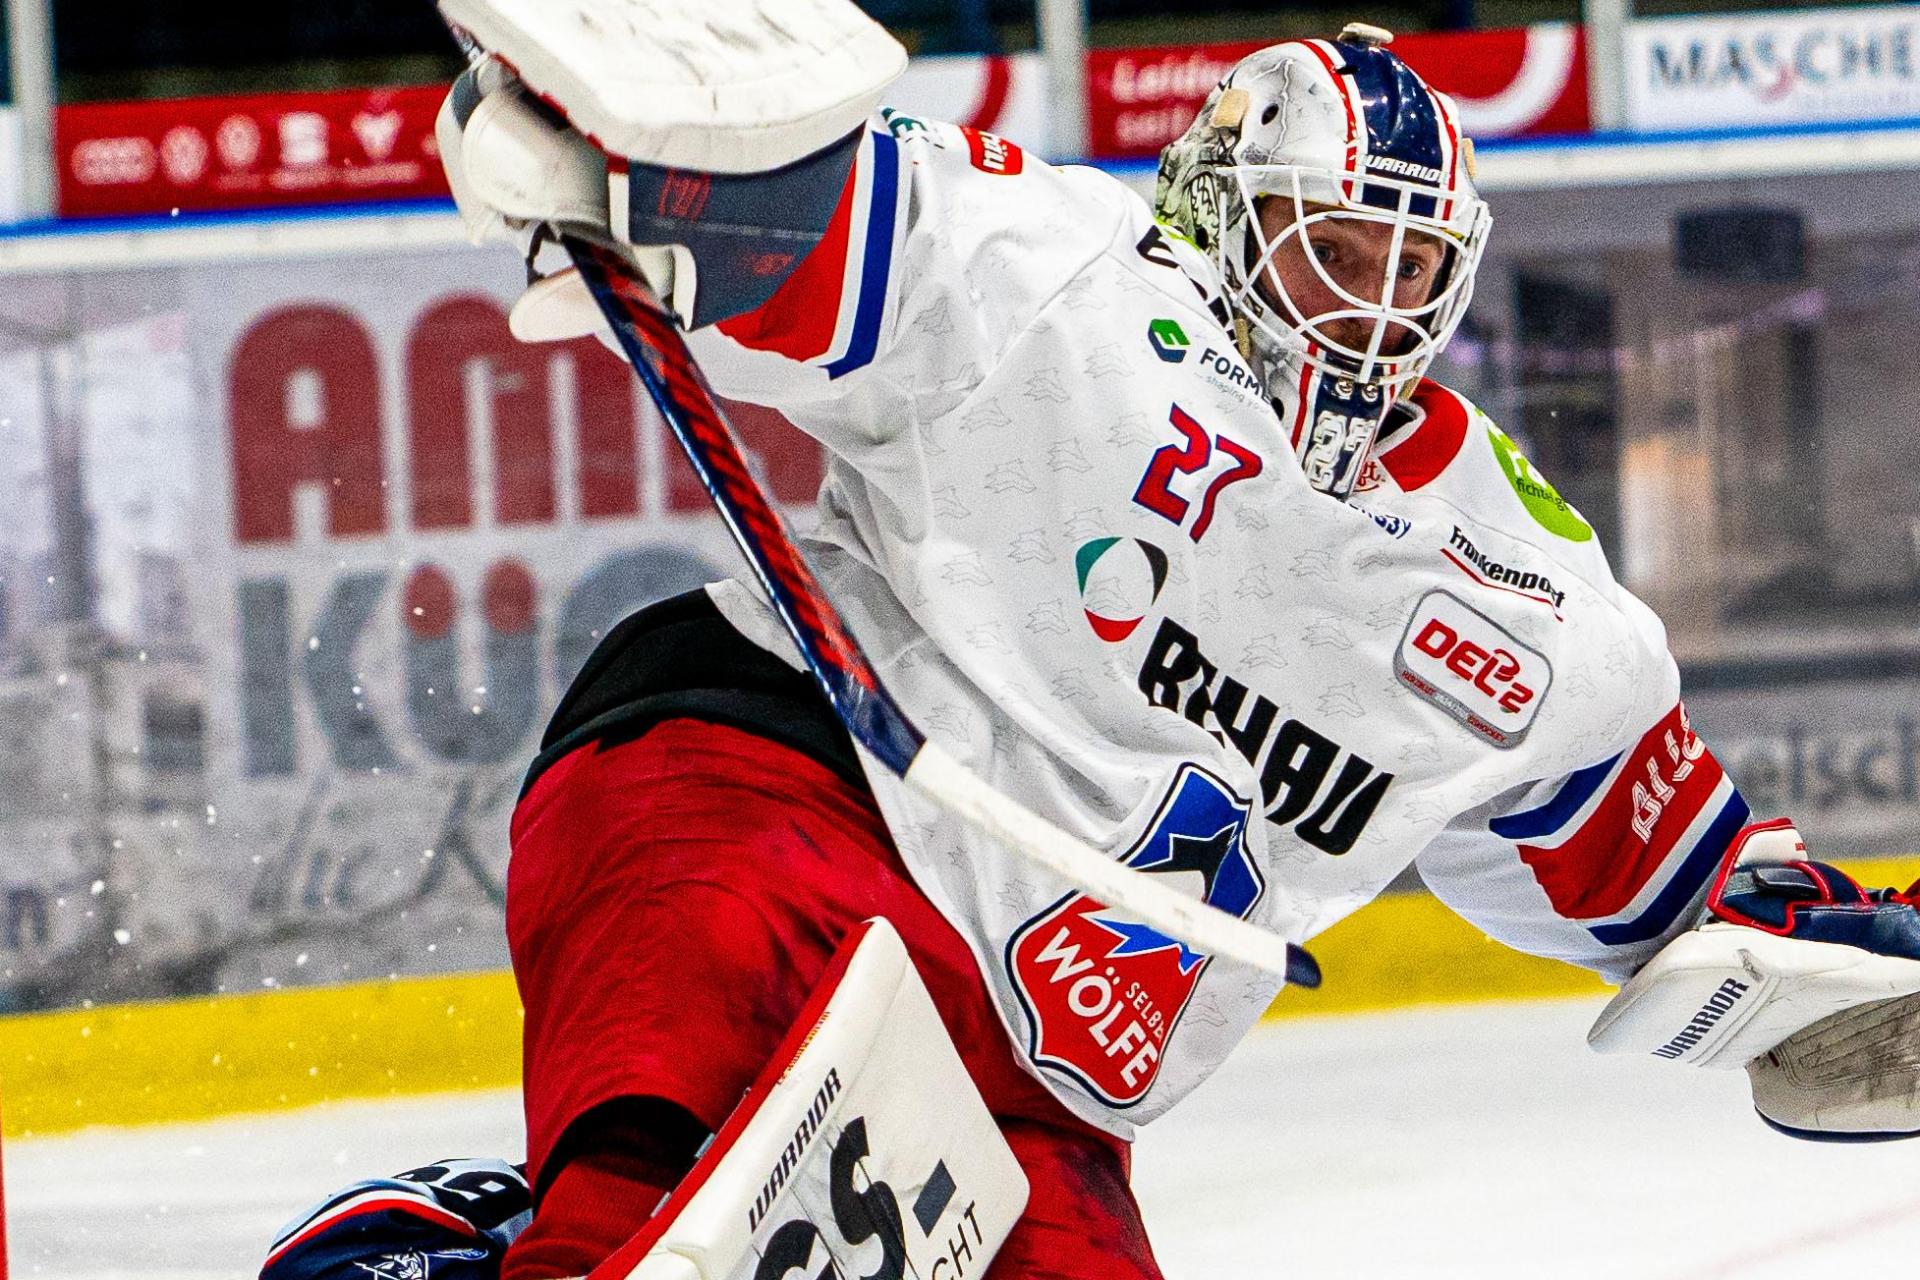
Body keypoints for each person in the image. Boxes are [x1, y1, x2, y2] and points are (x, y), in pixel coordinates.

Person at [264, 17, 1920, 1280]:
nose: (1375, 302)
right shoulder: (1061, 280)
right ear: (1224, 209)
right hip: (774, 798)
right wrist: (628, 170)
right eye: (1337, 246)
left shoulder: (1521, 592)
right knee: (632, 1235)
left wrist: (1827, 953)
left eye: (1414, 264)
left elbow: (1676, 880)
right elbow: (806, 223)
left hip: (1022, 1073)